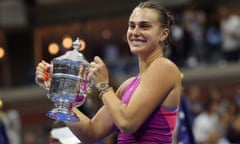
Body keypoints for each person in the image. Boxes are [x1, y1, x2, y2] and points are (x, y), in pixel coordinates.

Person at [35, 0, 182, 143]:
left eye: (144, 26)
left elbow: (127, 122)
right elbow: (91, 133)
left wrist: (103, 86)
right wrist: (57, 91)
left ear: (163, 34)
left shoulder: (164, 67)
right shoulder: (128, 85)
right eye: (132, 26)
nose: (135, 32)